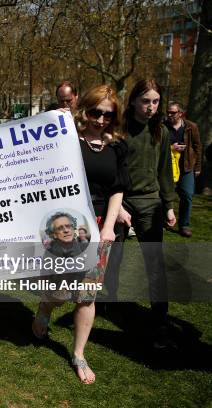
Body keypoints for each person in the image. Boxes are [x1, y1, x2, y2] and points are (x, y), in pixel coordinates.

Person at [32, 85, 128, 384]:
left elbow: (117, 189)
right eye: (95, 112)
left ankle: (78, 354)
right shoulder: (66, 137)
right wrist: (54, 122)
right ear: (83, 109)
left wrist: (109, 226)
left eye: (107, 115)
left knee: (87, 296)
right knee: (60, 292)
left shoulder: (118, 147)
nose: (100, 120)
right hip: (64, 227)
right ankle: (45, 308)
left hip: (98, 226)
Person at [117, 79, 177, 349]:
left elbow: (164, 171)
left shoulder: (161, 131)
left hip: (150, 205)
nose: (151, 107)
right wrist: (116, 206)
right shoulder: (119, 129)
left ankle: (160, 319)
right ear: (132, 101)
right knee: (111, 259)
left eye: (155, 101)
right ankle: (109, 304)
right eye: (145, 101)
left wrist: (169, 204)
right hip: (121, 203)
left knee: (154, 265)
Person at [164, 101, 202, 237]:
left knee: (187, 195)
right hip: (166, 167)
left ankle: (184, 225)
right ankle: (165, 221)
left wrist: (197, 167)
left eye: (172, 112)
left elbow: (198, 147)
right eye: (168, 112)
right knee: (164, 195)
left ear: (180, 113)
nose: (169, 115)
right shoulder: (162, 126)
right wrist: (172, 148)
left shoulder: (191, 127)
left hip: (186, 167)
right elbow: (157, 146)